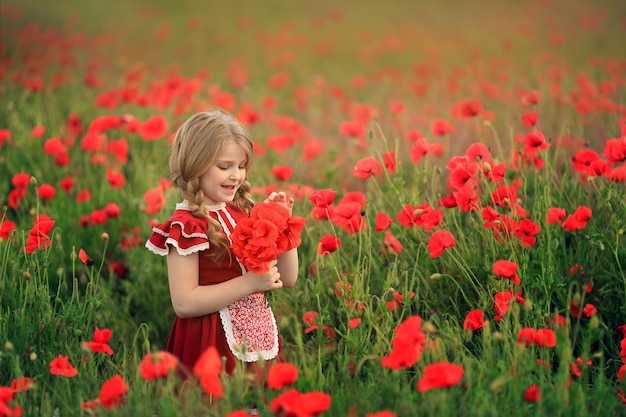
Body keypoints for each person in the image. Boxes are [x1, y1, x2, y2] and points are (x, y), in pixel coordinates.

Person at [145, 110, 299, 379]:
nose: (236, 175)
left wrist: (280, 224)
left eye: (241, 166)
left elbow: (287, 277)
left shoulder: (243, 213)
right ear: (196, 165)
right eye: (224, 166)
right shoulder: (187, 226)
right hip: (210, 340)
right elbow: (184, 303)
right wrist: (249, 284)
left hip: (257, 337)